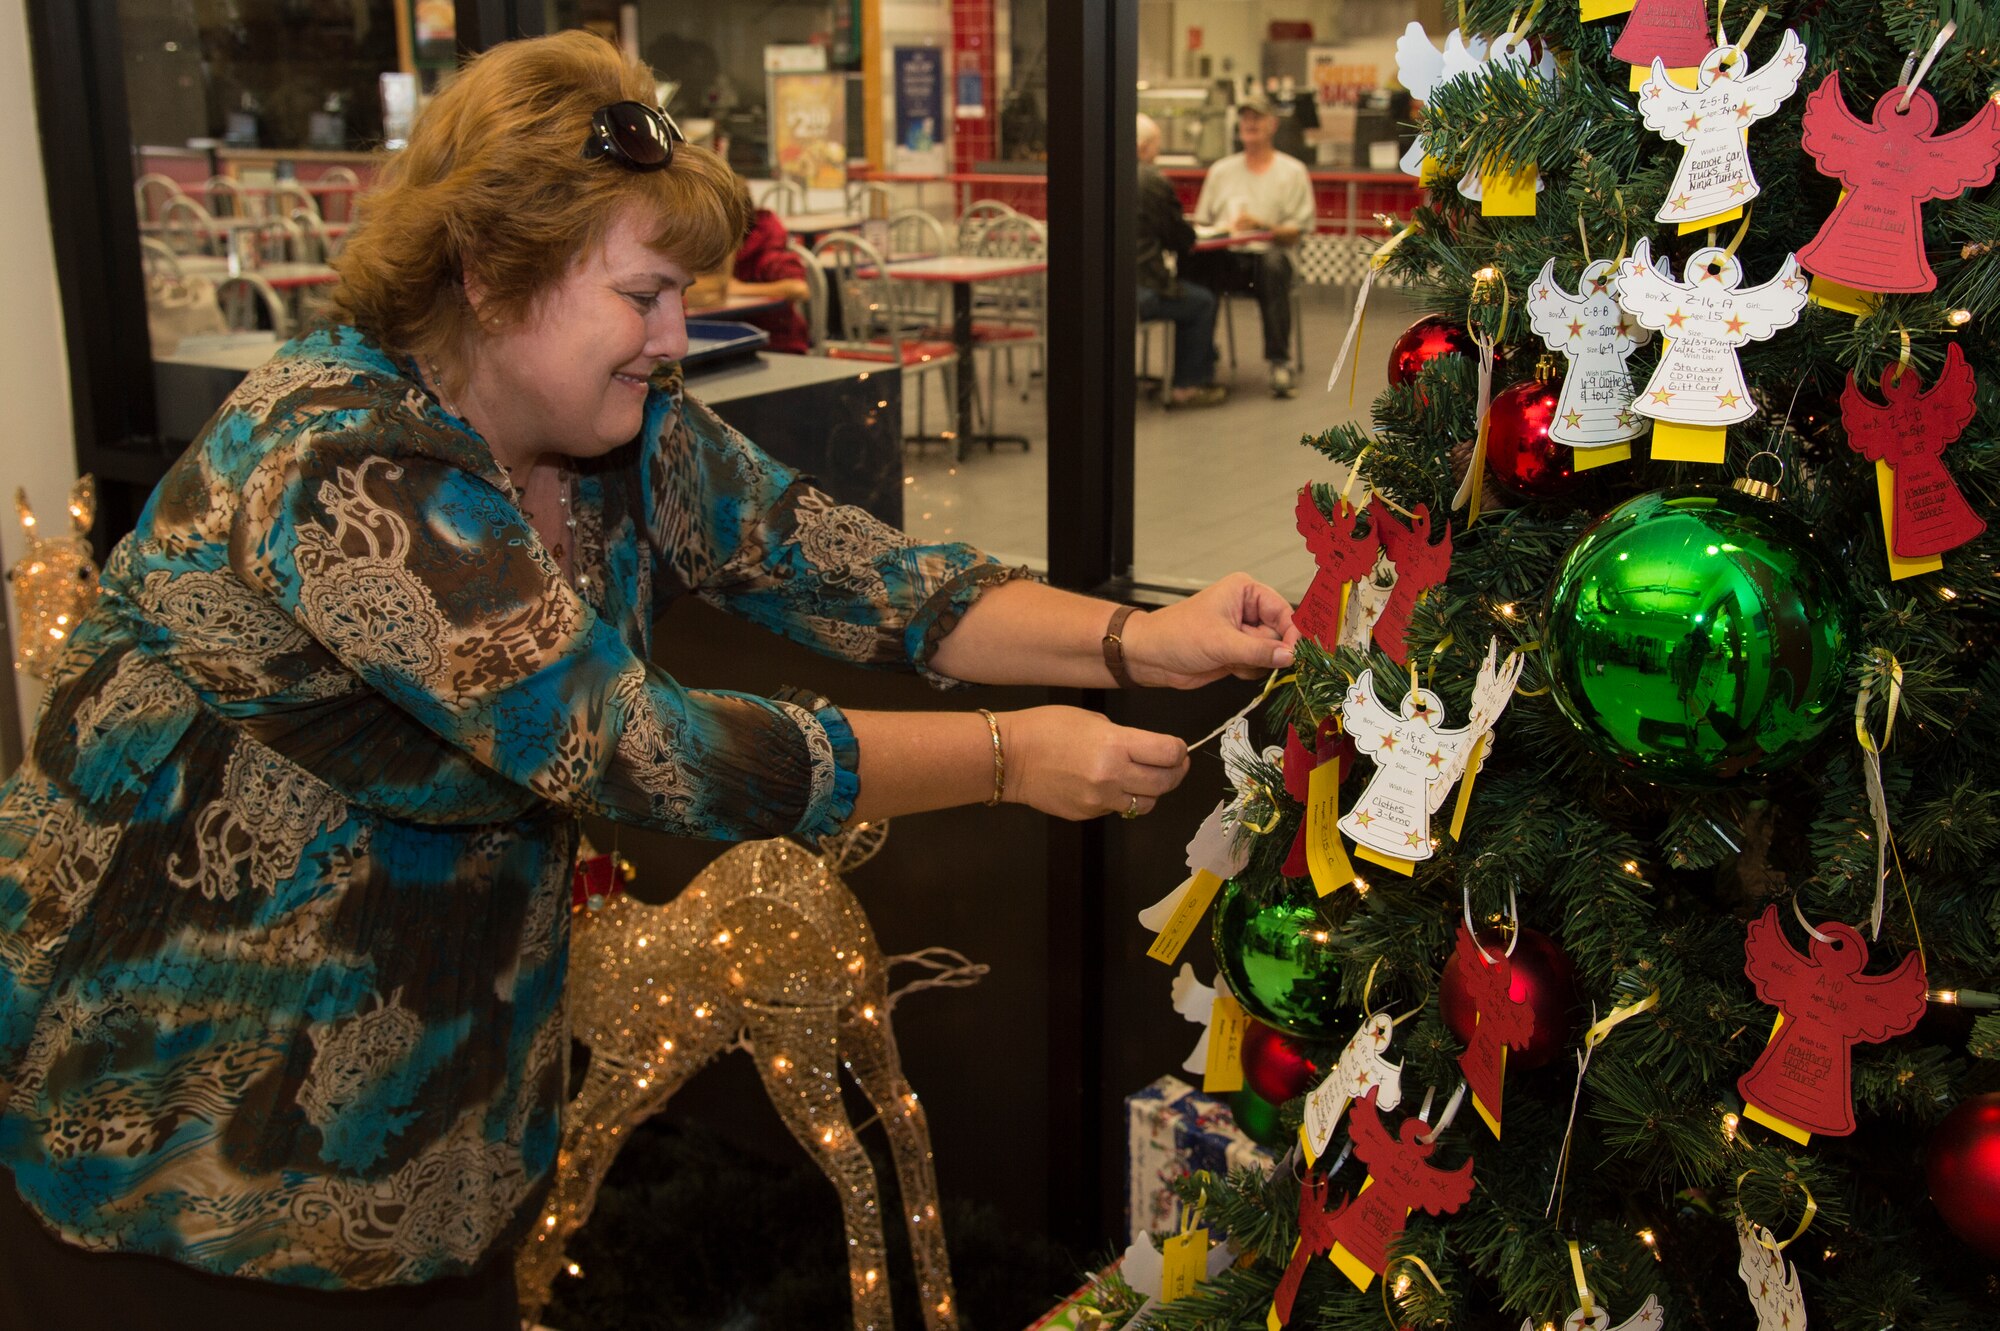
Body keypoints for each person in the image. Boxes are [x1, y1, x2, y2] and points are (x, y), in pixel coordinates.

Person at [0, 31, 1297, 1329]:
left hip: (437, 1156)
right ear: (490, 273)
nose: (675, 333)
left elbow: (864, 574)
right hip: (181, 1174)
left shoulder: (622, 434)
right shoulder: (340, 464)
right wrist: (1010, 759)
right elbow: (641, 748)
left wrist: (1143, 642)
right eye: (643, 293)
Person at [1185, 93, 1317, 398]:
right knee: (1196, 266)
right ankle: (1198, 362)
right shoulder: (1221, 171)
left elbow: (1296, 232)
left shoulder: (1292, 172)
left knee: (1272, 266)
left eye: (1256, 118)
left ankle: (1279, 361)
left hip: (1269, 258)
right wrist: (1217, 232)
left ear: (1272, 124)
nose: (1250, 124)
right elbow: (1202, 223)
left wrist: (1262, 226)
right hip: (1229, 257)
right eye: (1245, 118)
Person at [1135, 114, 1226, 410]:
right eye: (1156, 147)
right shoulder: (1151, 181)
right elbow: (1182, 239)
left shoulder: (1096, 172)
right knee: (1201, 301)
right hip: (1140, 291)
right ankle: (1187, 385)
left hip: (1095, 292)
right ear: (1144, 147)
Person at [725, 177, 812, 354]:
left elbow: (799, 288)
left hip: (778, 345)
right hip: (734, 341)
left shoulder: (765, 248)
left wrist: (738, 289)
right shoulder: (715, 249)